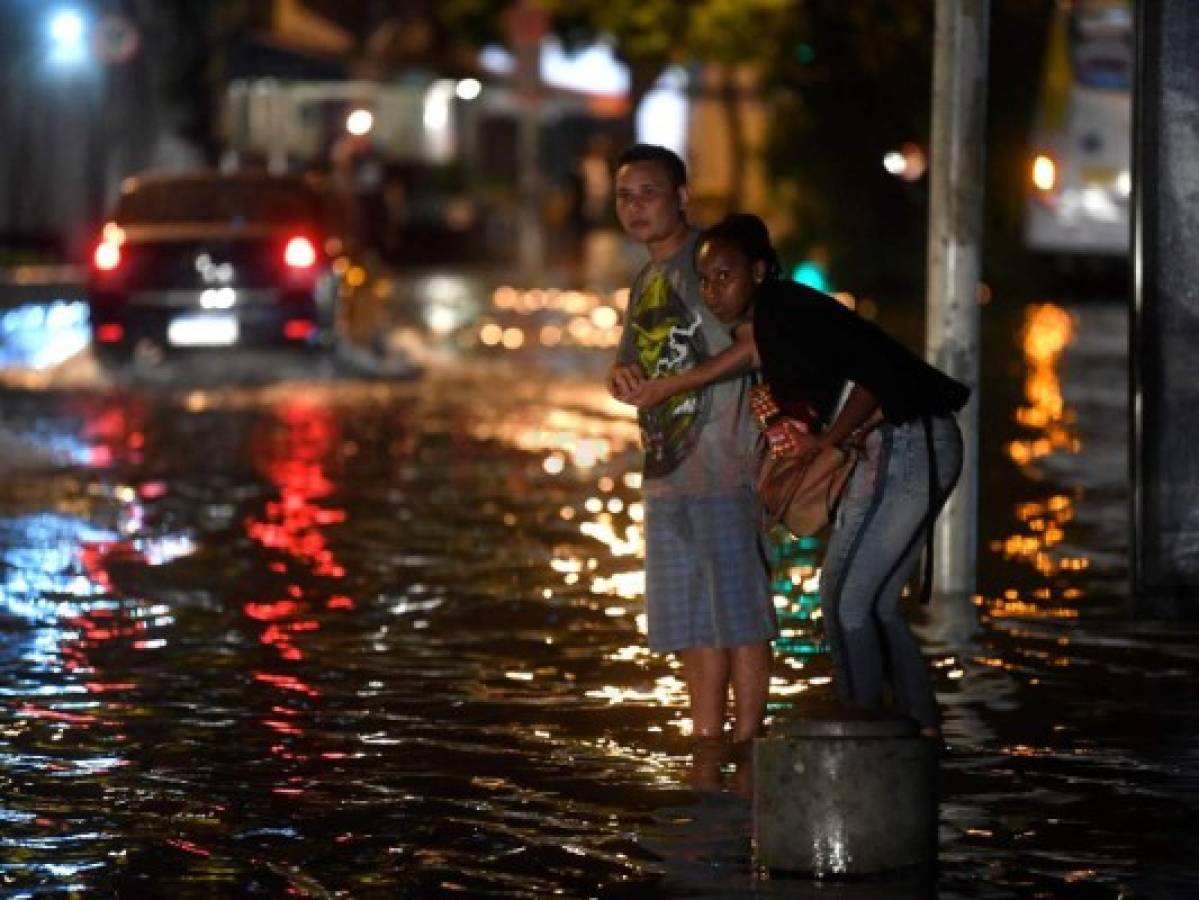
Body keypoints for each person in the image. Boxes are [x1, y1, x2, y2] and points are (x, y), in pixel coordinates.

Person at [629, 213, 968, 742]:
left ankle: (861, 736)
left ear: (759, 271)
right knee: (870, 601)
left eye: (726, 275)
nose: (714, 291)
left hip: (906, 439)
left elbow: (874, 382)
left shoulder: (784, 313)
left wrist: (826, 444)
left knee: (845, 598)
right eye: (706, 280)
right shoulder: (781, 320)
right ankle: (919, 730)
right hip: (917, 440)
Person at [606, 146, 776, 749]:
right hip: (666, 470)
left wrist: (678, 383)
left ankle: (749, 745)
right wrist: (620, 377)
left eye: (649, 193)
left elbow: (757, 345)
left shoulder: (712, 259)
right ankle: (707, 745)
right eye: (625, 196)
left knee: (740, 615)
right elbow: (633, 357)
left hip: (724, 463)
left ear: (681, 196)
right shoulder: (646, 278)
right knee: (690, 624)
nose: (636, 207)